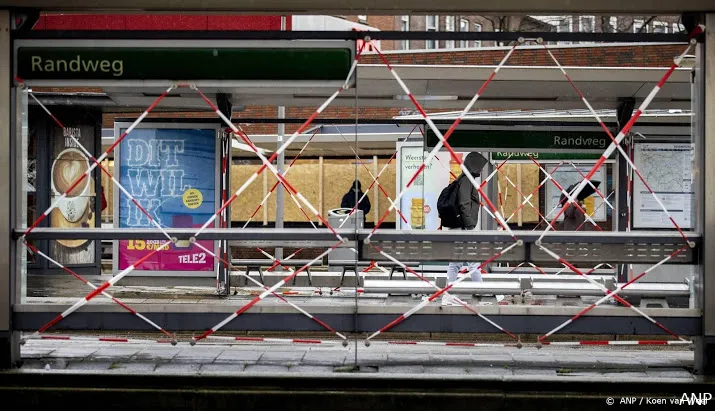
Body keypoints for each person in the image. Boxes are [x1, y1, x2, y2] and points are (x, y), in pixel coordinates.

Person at [441, 152, 488, 306]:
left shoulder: (462, 179)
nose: (480, 171)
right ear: (473, 166)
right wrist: (469, 226)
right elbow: (464, 204)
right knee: (473, 261)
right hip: (463, 227)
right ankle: (480, 295)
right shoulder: (466, 181)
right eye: (479, 168)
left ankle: (448, 295)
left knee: (455, 263)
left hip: (458, 227)